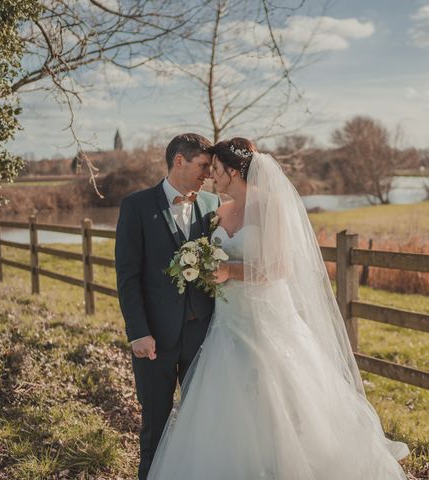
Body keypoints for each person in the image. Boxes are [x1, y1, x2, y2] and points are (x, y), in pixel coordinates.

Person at [147, 137, 409, 479]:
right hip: (227, 324)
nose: (212, 177)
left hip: (265, 318)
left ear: (233, 170)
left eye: (216, 170)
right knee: (229, 405)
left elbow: (281, 266)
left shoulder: (272, 207)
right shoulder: (219, 212)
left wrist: (228, 271)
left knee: (279, 397)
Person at [115, 133, 221, 480]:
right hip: (154, 340)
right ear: (180, 161)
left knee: (201, 427)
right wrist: (138, 332)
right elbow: (127, 276)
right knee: (155, 427)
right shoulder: (136, 206)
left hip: (202, 335)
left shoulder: (211, 205)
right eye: (203, 166)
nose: (207, 173)